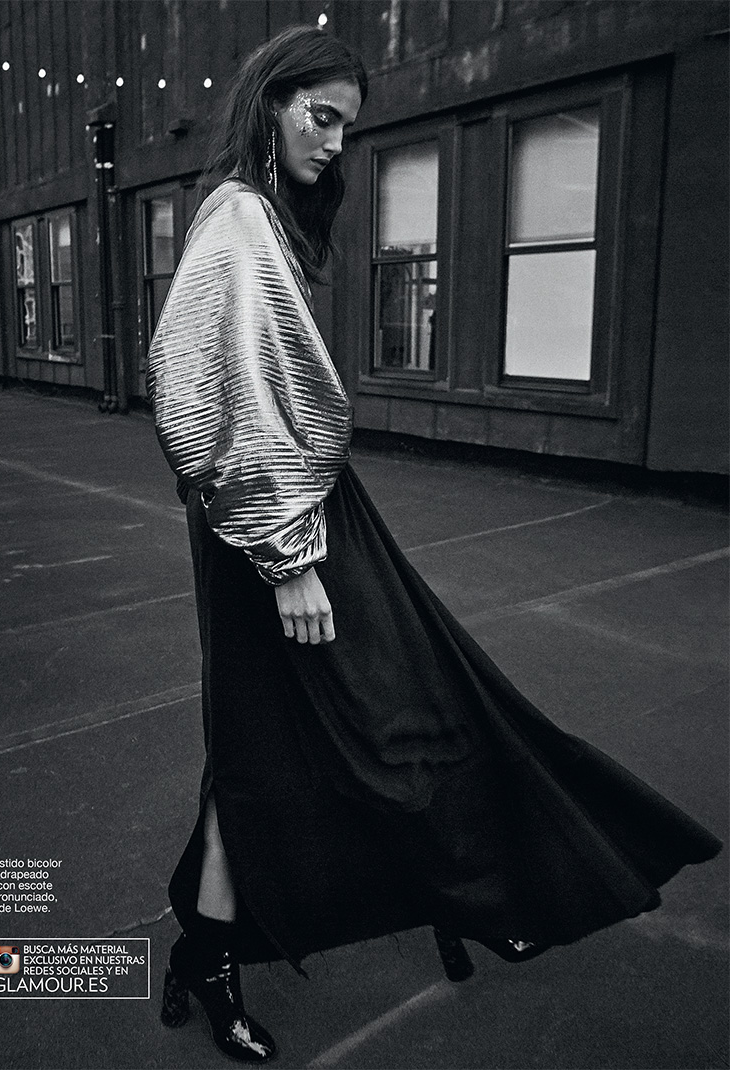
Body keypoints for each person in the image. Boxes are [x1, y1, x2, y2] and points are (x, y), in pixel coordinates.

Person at [146, 24, 721, 1065]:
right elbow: (198, 386)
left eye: (346, 127)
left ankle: (416, 900)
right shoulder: (237, 216)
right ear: (269, 103)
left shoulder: (258, 216)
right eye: (320, 116)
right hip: (274, 526)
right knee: (349, 720)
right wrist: (287, 557)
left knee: (376, 708)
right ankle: (231, 948)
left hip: (297, 511)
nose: (334, 142)